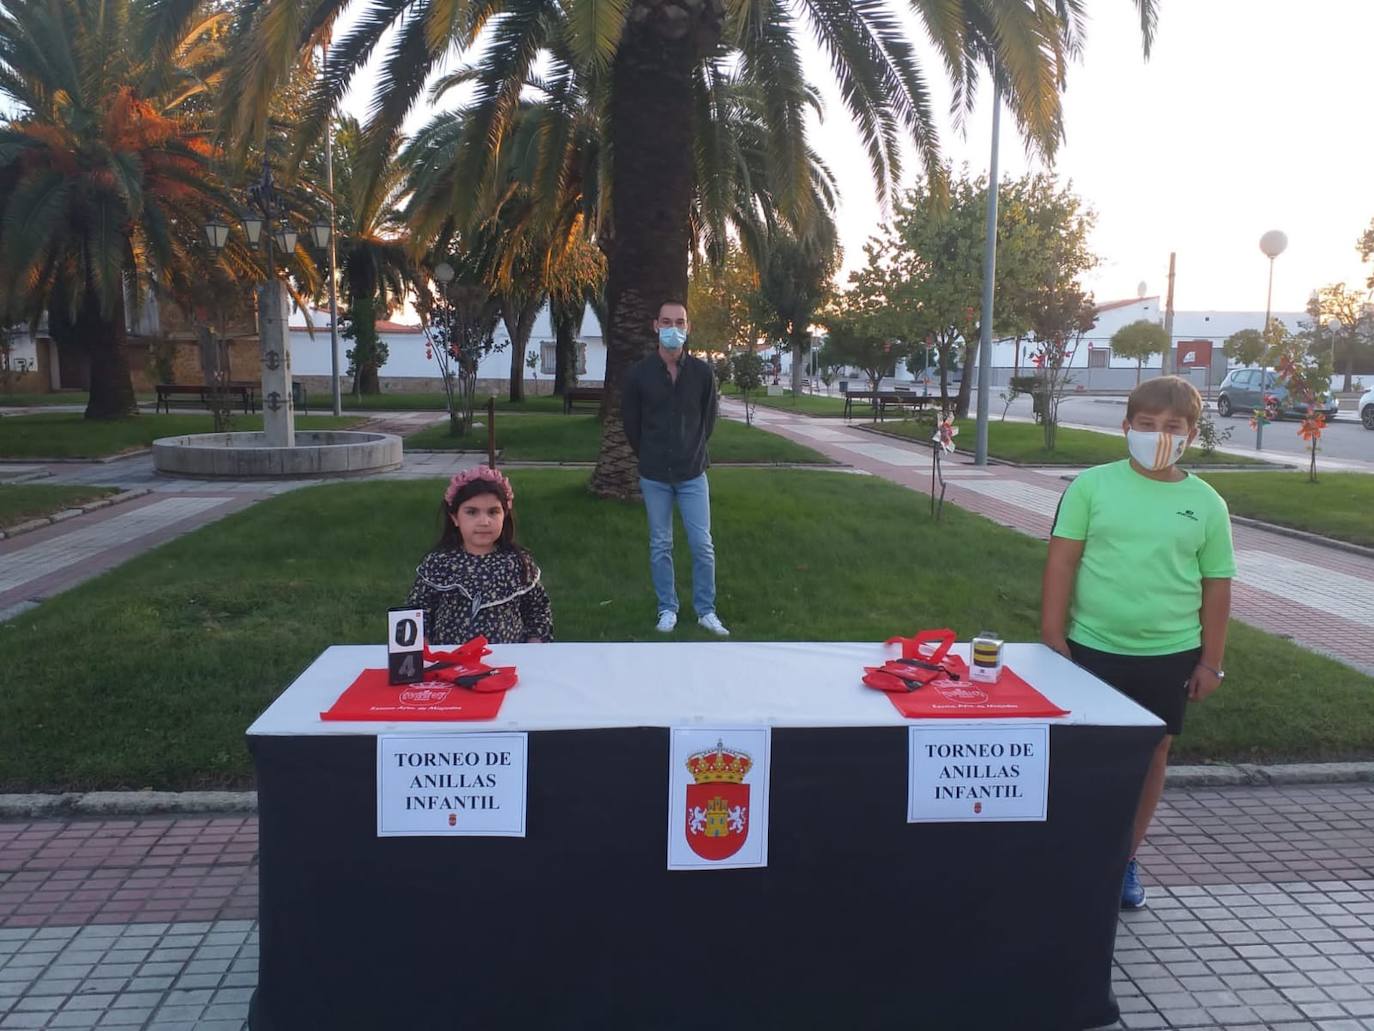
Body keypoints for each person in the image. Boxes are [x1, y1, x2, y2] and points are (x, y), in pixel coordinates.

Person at [1040, 375, 1234, 910]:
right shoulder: (1091, 487)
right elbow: (1062, 561)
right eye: (1146, 426)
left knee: (1152, 756)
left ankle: (1124, 858)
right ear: (1127, 427)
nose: (1158, 436)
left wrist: (1211, 663)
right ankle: (1072, 853)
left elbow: (1217, 586)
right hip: (1090, 648)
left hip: (1170, 653)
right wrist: (1053, 637)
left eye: (1172, 427)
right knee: (1083, 755)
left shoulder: (1207, 504)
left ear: (1191, 433)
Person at [622, 299, 729, 636]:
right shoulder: (639, 374)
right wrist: (651, 454)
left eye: (679, 322)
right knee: (660, 544)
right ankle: (667, 608)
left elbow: (708, 420)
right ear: (656, 326)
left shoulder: (701, 373)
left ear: (688, 327)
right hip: (654, 475)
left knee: (702, 544)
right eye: (666, 322)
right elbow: (632, 424)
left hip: (692, 473)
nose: (673, 329)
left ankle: (705, 611)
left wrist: (689, 449)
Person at [405, 466, 553, 645]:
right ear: (455, 518)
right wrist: (423, 649)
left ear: (504, 515)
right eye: (472, 512)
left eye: (493, 512)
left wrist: (533, 647)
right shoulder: (439, 563)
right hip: (449, 662)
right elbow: (417, 612)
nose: (484, 521)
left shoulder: (517, 562)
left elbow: (538, 611)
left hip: (508, 661)